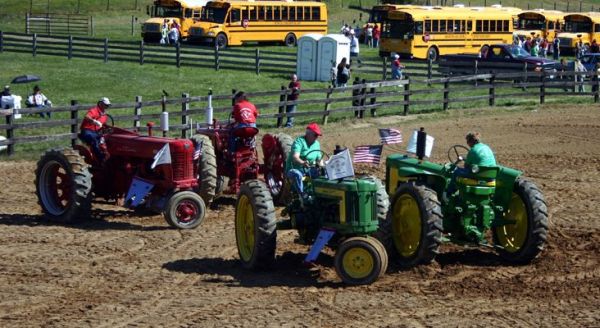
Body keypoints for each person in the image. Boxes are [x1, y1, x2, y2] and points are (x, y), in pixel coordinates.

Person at [447, 132, 496, 197]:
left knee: (456, 171)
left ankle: (449, 194)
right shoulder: (487, 147)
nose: (467, 144)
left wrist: (463, 161)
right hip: (490, 176)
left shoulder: (473, 150)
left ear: (471, 141)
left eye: (467, 142)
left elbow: (466, 166)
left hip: (477, 176)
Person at [285, 122, 324, 201]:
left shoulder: (316, 144)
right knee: (297, 174)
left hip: (308, 169)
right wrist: (302, 162)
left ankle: (319, 194)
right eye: (315, 135)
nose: (316, 138)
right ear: (308, 133)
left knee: (322, 173)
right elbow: (295, 157)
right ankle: (302, 196)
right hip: (294, 168)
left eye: (318, 136)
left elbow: (319, 160)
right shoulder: (299, 141)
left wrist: (322, 166)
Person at [79, 97, 111, 162]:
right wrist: (94, 121)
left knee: (108, 141)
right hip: (87, 131)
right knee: (94, 140)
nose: (107, 106)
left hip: (97, 132)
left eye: (108, 105)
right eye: (106, 105)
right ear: (101, 104)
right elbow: (87, 117)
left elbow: (104, 125)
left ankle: (107, 155)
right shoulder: (94, 110)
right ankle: (100, 159)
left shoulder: (104, 115)